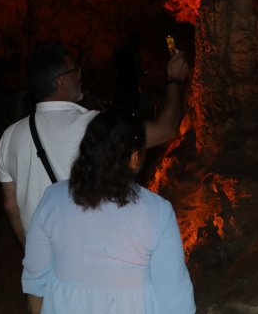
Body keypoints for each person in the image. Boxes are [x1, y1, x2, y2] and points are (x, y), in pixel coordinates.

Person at [0, 42, 188, 247]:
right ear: (60, 81)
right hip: (88, 261)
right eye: (75, 71)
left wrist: (32, 252)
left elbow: (11, 207)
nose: (80, 76)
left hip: (42, 263)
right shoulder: (95, 126)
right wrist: (175, 79)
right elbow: (166, 129)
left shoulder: (9, 136)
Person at [22, 111, 196, 314]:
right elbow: (174, 294)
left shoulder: (53, 199)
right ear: (133, 158)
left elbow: (35, 276)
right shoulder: (157, 210)